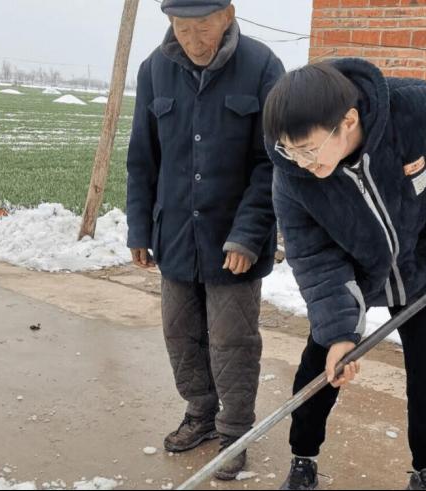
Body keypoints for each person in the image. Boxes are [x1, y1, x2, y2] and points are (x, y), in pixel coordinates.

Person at [262, 59, 426, 490]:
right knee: (323, 364)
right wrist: (340, 332)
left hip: (424, 262)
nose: (301, 162)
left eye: (308, 149)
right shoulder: (292, 179)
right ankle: (303, 458)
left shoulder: (413, 109)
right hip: (354, 270)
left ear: (348, 121)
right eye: (290, 150)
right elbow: (315, 259)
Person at [125, 0, 284, 480]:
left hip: (234, 239)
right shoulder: (154, 70)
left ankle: (235, 432)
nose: (194, 40)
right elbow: (142, 157)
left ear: (228, 15)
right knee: (179, 333)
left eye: (204, 26)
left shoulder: (262, 67)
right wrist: (139, 228)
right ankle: (200, 412)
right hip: (174, 234)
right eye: (182, 27)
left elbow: (272, 163)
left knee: (233, 340)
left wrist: (248, 234)